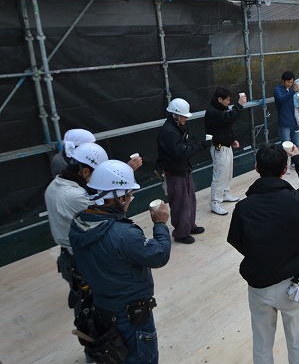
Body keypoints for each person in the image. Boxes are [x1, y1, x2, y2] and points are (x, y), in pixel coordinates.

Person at [227, 143, 299, 364]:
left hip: (259, 285)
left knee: (261, 342)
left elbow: (236, 240)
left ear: (256, 167)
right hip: (293, 285)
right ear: (284, 170)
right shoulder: (297, 201)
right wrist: (298, 158)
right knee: (297, 340)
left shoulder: (243, 208)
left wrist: (261, 251)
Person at [70, 159, 171, 364]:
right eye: (128, 194)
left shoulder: (78, 223)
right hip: (131, 318)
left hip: (102, 310)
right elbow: (159, 255)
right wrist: (160, 224)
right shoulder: (123, 234)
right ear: (116, 196)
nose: (129, 199)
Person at [45, 142, 108, 362]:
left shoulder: (55, 186)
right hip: (82, 260)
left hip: (68, 256)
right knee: (93, 312)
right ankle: (97, 354)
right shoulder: (74, 196)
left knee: (84, 308)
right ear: (84, 171)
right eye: (95, 176)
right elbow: (106, 219)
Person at [156, 98, 210, 243]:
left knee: (190, 200)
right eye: (184, 116)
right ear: (175, 115)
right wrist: (198, 147)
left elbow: (189, 142)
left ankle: (190, 226)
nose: (186, 118)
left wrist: (193, 146)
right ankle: (181, 233)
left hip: (184, 169)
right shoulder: (168, 132)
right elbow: (181, 152)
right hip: (174, 172)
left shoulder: (180, 127)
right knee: (180, 203)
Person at [204, 87, 247, 216]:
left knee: (227, 172)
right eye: (227, 100)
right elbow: (229, 119)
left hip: (226, 145)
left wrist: (233, 139)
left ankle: (225, 193)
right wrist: (239, 105)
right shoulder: (212, 112)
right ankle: (215, 202)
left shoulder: (221, 109)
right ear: (219, 99)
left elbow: (227, 125)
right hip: (218, 147)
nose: (229, 102)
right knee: (219, 175)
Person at [274, 71, 299, 148]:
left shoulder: (291, 89)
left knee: (296, 146)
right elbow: (281, 99)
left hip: (294, 122)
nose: (290, 84)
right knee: (286, 147)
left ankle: (296, 160)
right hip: (284, 123)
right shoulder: (277, 90)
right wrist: (293, 91)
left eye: (291, 82)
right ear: (283, 80)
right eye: (288, 82)